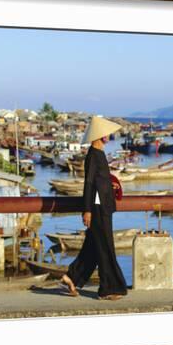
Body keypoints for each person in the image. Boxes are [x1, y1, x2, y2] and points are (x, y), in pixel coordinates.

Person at [60, 116, 128, 300]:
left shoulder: (99, 154)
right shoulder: (93, 155)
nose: (108, 136)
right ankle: (108, 288)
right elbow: (89, 184)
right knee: (105, 247)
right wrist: (87, 210)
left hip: (103, 205)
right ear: (100, 135)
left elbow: (99, 181)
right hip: (98, 209)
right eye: (106, 134)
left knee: (93, 247)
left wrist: (110, 185)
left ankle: (71, 277)